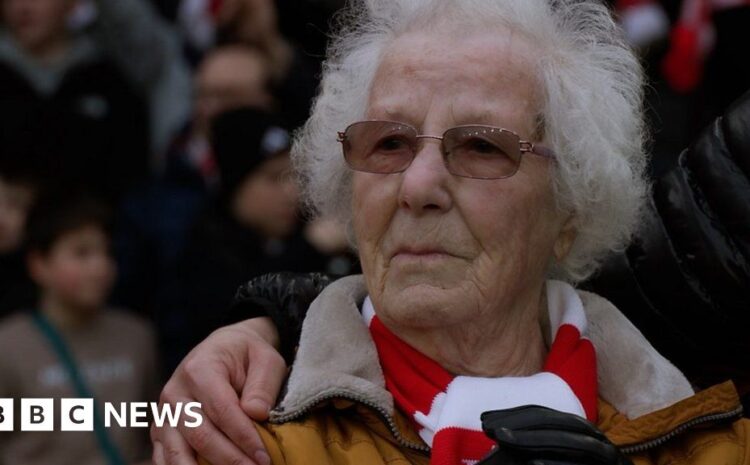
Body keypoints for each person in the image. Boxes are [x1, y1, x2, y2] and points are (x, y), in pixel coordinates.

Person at [152, 1, 750, 465]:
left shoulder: (709, 441)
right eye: (388, 142)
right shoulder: (238, 437)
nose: (417, 186)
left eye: (483, 146)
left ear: (570, 212)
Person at [0, 193, 159, 465]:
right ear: (38, 264)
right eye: (81, 253)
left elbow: (156, 429)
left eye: (107, 253)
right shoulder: (8, 346)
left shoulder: (137, 335)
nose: (100, 267)